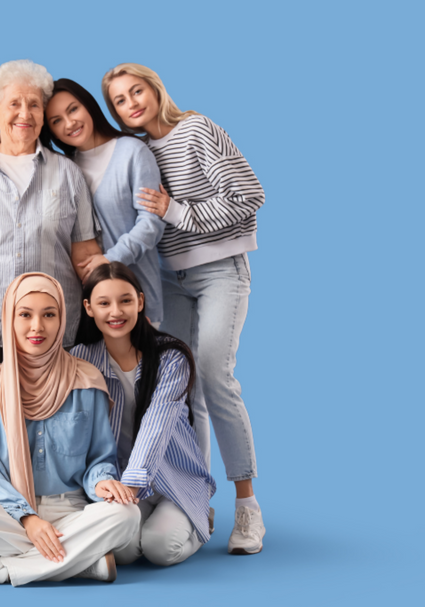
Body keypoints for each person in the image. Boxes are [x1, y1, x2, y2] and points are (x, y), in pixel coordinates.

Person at [103, 63, 267, 554]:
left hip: (221, 270)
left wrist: (176, 211)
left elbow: (250, 196)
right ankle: (197, 499)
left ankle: (247, 507)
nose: (131, 103)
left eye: (137, 91)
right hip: (171, 280)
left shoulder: (196, 129)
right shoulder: (138, 152)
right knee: (178, 385)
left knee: (215, 377)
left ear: (155, 90)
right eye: (119, 100)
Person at [0, 273, 141, 586]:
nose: (37, 327)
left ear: (62, 319)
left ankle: (0, 570)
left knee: (127, 515)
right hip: (9, 511)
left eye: (49, 314)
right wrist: (28, 518)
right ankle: (80, 563)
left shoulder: (86, 380)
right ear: (9, 318)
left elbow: (100, 458)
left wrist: (103, 483)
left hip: (72, 509)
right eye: (25, 314)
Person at [0, 61, 103, 366]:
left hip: (54, 335)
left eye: (34, 105)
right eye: (14, 103)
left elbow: (85, 256)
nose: (25, 114)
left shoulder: (68, 174)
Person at [71, 262, 215, 566]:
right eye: (104, 303)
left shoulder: (171, 358)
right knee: (122, 553)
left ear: (140, 300)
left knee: (160, 548)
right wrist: (109, 486)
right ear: (88, 308)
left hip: (173, 479)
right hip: (120, 480)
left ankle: (201, 518)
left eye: (125, 300)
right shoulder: (80, 359)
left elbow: (156, 426)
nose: (116, 312)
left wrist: (131, 487)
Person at [41, 78, 166, 327]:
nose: (70, 123)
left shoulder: (132, 152)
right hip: (87, 308)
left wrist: (110, 259)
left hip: (136, 298)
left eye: (73, 109)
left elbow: (151, 223)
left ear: (88, 106)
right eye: (56, 121)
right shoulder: (63, 169)